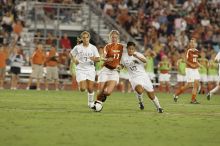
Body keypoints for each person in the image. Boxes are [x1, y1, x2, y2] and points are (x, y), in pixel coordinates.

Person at [121, 42, 163, 113]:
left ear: (134, 49)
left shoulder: (138, 54)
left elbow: (145, 61)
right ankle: (141, 101)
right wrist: (119, 67)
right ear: (127, 49)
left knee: (151, 95)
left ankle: (159, 107)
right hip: (134, 78)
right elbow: (122, 65)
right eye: (129, 49)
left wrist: (137, 57)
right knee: (140, 90)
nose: (131, 50)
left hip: (144, 76)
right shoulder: (124, 57)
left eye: (132, 49)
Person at [92, 30, 124, 110]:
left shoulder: (121, 47)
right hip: (105, 70)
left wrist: (121, 66)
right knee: (100, 91)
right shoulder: (107, 46)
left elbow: (122, 62)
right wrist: (106, 59)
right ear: (110, 38)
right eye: (112, 37)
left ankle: (99, 101)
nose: (114, 39)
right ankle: (98, 105)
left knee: (108, 92)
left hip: (114, 72)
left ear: (118, 38)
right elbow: (103, 57)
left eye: (115, 37)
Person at [70, 31, 100, 108]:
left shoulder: (93, 47)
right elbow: (71, 54)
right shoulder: (78, 47)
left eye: (87, 37)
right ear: (82, 39)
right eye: (84, 37)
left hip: (90, 69)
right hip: (80, 69)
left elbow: (98, 58)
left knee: (90, 88)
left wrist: (94, 59)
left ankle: (90, 103)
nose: (85, 39)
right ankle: (82, 83)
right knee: (82, 89)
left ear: (89, 38)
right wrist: (74, 60)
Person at [173, 38, 201, 104]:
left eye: (193, 42)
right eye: (191, 42)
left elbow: (195, 60)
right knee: (189, 85)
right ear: (189, 44)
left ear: (195, 43)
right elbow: (185, 60)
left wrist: (199, 65)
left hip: (195, 69)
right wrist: (191, 64)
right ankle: (176, 94)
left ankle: (193, 100)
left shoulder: (197, 51)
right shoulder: (188, 51)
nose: (192, 43)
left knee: (196, 84)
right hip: (189, 69)